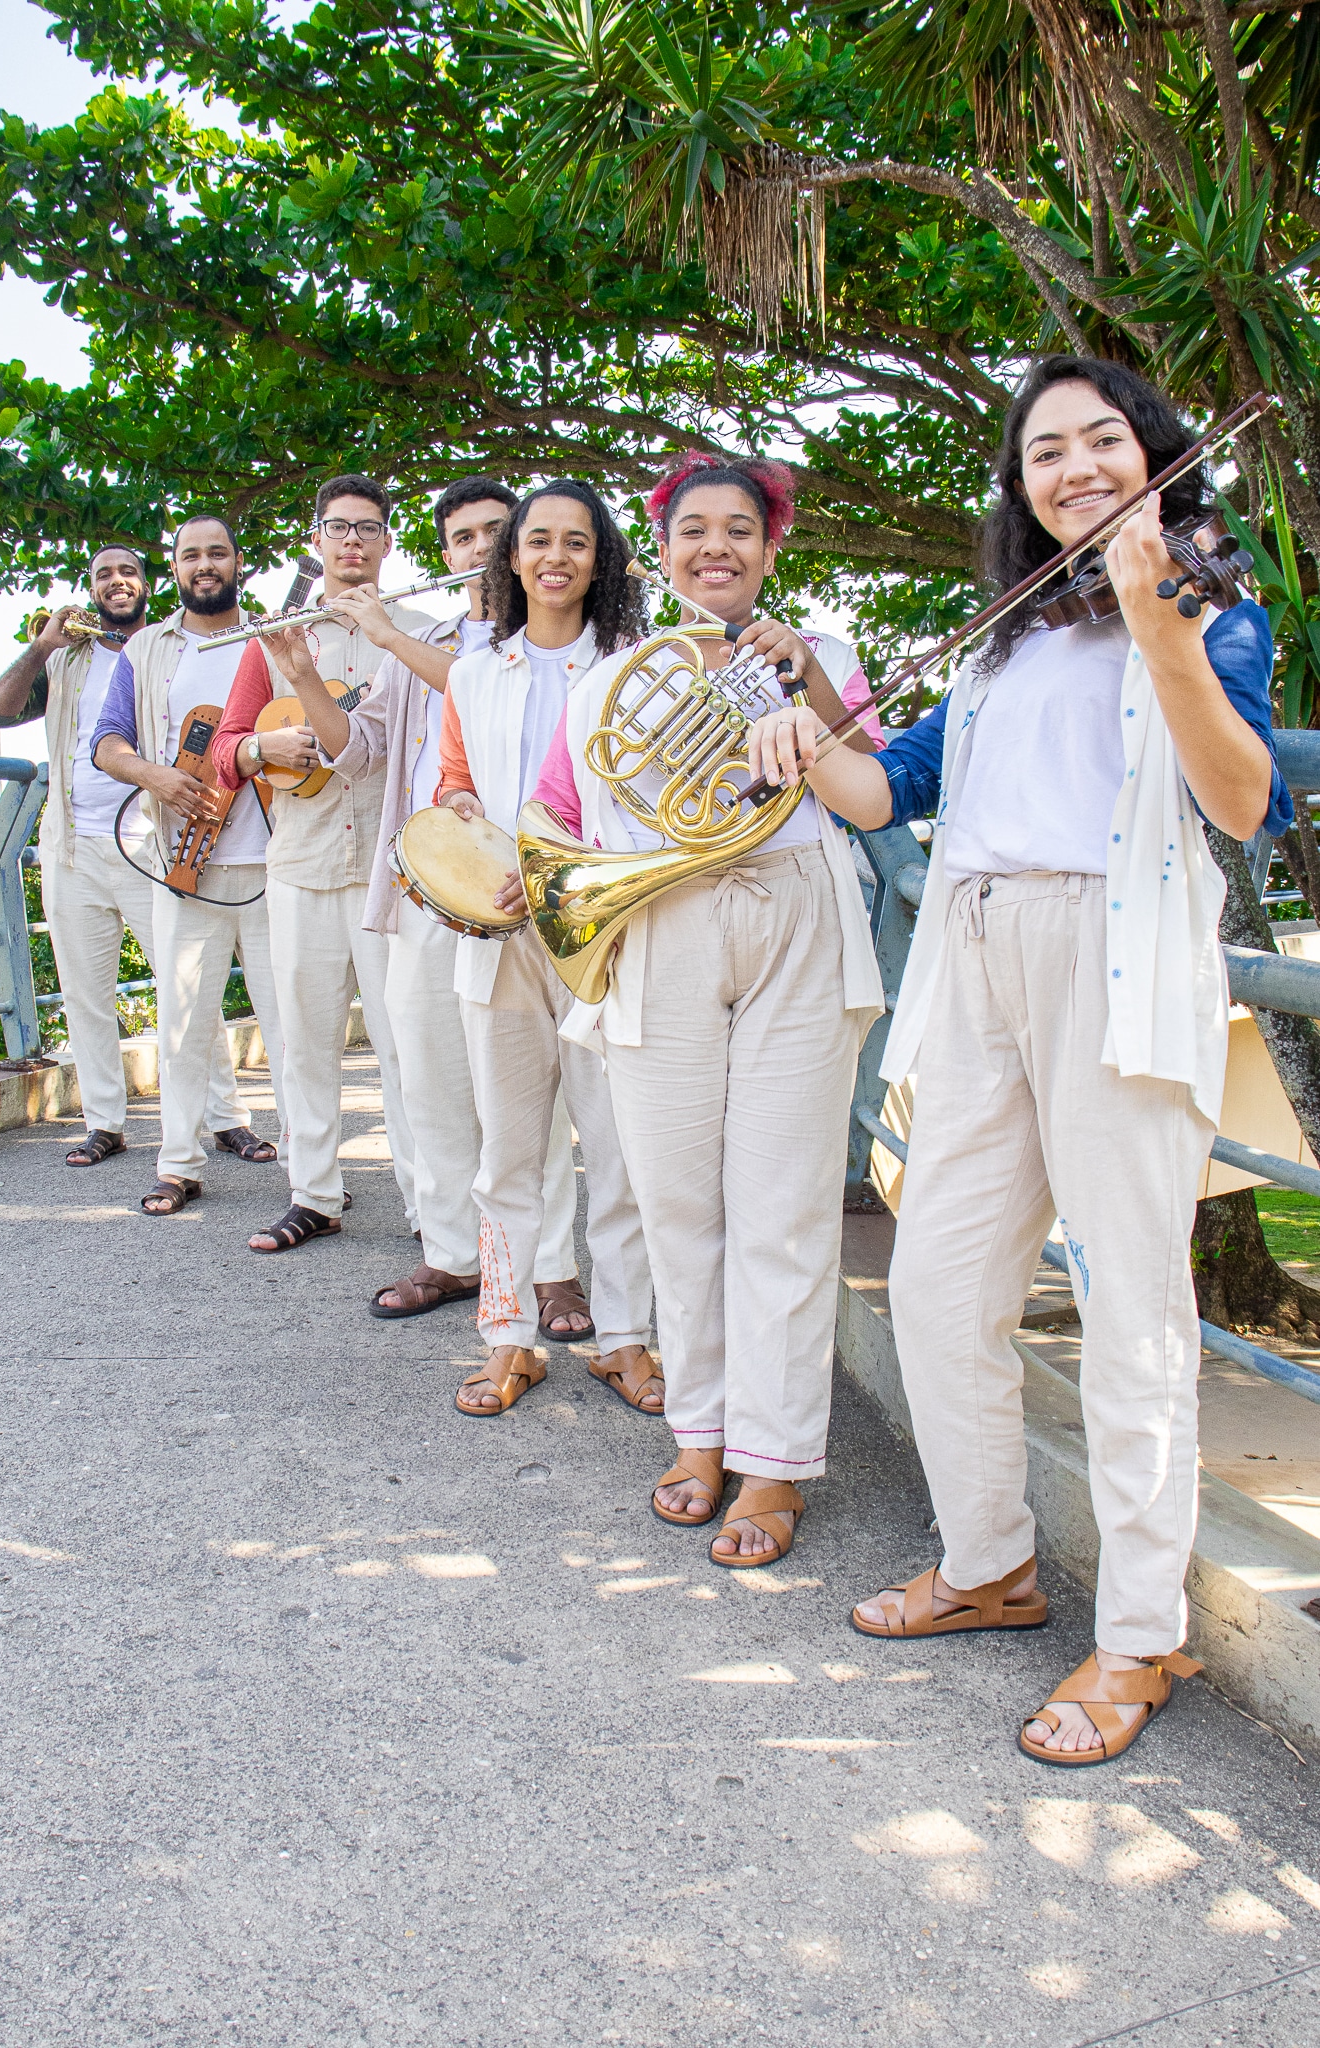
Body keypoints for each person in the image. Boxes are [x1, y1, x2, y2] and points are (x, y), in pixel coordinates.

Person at [747, 356, 1292, 1760]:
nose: (1074, 469)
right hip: (977, 963)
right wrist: (807, 735)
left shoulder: (1211, 606)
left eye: (1101, 440)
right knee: (936, 1290)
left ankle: (1139, 1643)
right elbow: (883, 789)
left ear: (1153, 452)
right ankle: (988, 1563)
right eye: (1044, 452)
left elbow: (1240, 803)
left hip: (1107, 966)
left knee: (1133, 1317)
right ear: (1021, 488)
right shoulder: (1001, 641)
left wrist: (1152, 625)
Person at [524, 452, 884, 1567]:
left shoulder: (819, 655)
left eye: (740, 529)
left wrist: (801, 687)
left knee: (780, 1204)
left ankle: (775, 1463)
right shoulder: (606, 680)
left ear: (772, 549)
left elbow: (873, 780)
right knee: (678, 1200)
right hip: (659, 923)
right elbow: (554, 813)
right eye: (694, 530)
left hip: (793, 921)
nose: (716, 547)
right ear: (664, 547)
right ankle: (702, 1431)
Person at [257, 476, 584, 1326]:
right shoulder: (422, 632)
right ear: (444, 554)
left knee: (526, 1092)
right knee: (429, 1081)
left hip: (526, 890)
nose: (478, 551)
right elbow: (355, 754)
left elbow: (475, 687)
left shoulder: (547, 645)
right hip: (422, 891)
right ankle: (449, 1254)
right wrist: (301, 673)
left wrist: (383, 633)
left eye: (493, 534)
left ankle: (550, 1268)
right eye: (463, 539)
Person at [436, 479, 660, 1418]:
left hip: (606, 936)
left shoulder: (642, 666)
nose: (555, 557)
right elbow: (453, 786)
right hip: (500, 935)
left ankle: (625, 1340)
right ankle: (507, 1340)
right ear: (512, 558)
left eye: (577, 541)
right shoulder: (471, 670)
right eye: (538, 541)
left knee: (619, 1148)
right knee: (508, 1154)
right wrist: (461, 835)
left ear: (601, 558)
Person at [212, 475, 431, 1255]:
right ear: (315, 540)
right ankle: (313, 1195)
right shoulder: (270, 639)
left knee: (406, 1041)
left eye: (367, 528)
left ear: (387, 543)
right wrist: (255, 747)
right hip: (301, 863)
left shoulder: (423, 630)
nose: (351, 542)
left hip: (391, 865)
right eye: (336, 527)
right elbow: (224, 746)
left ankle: (425, 1201)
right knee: (302, 1040)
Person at [0, 548, 247, 1167]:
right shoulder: (69, 659)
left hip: (148, 843)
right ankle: (105, 1121)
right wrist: (42, 647)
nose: (116, 583)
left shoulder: (163, 650)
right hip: (71, 846)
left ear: (148, 584)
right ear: (91, 590)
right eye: (103, 575)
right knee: (85, 992)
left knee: (188, 983)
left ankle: (226, 1117)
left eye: (127, 573)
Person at [91, 513, 290, 1216]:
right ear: (174, 569)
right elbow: (107, 743)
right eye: (188, 555)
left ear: (240, 562)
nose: (203, 565)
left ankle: (312, 1172)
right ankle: (178, 1164)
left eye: (216, 553)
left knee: (292, 1024)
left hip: (277, 865)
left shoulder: (277, 636)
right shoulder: (145, 649)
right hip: (185, 866)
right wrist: (157, 777)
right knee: (180, 1025)